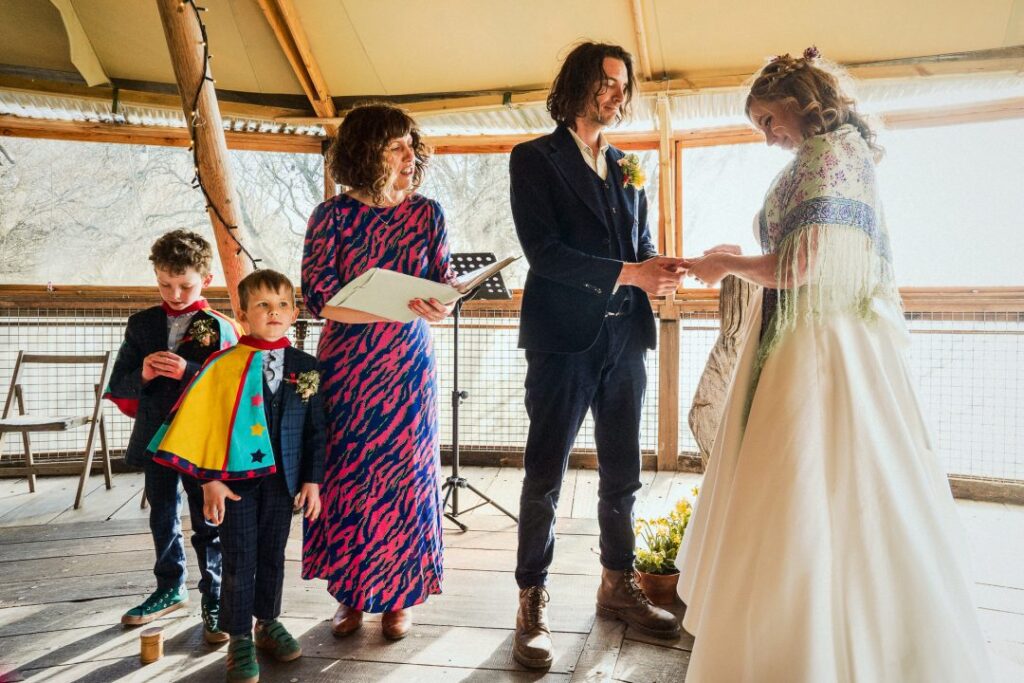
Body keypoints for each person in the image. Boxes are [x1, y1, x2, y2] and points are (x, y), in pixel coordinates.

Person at [675, 48, 993, 681]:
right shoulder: (841, 154)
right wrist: (740, 255)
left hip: (815, 349)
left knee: (808, 489)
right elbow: (801, 252)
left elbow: (798, 268)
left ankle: (806, 648)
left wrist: (724, 266)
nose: (768, 138)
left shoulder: (828, 158)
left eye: (768, 121)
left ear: (799, 102)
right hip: (810, 336)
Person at [508, 42, 686, 669]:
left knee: (622, 475)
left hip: (625, 339)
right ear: (579, 83)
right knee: (545, 475)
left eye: (623, 86)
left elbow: (636, 247)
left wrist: (657, 268)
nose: (616, 94)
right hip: (562, 344)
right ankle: (531, 597)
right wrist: (630, 270)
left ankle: (617, 585)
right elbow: (545, 253)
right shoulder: (533, 158)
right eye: (607, 82)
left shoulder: (628, 166)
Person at [301, 103, 453, 641]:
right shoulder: (331, 217)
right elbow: (320, 297)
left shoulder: (428, 213)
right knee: (347, 477)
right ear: (366, 153)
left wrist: (442, 305)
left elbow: (442, 287)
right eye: (396, 146)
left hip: (409, 368)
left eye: (412, 144)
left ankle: (399, 598)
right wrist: (387, 308)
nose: (410, 155)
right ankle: (349, 595)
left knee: (406, 477)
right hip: (347, 368)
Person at [151, 269, 325, 683]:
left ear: (294, 311)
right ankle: (239, 637)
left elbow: (317, 430)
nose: (274, 312)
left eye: (283, 304)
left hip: (284, 485)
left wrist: (312, 480)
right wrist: (209, 480)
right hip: (233, 488)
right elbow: (200, 428)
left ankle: (268, 622)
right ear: (242, 312)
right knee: (238, 559)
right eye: (262, 304)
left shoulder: (306, 366)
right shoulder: (221, 365)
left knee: (272, 556)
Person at [104, 229, 240, 641]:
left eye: (185, 285)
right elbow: (120, 382)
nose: (175, 293)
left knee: (207, 521)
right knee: (161, 515)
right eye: (165, 284)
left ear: (207, 281)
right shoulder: (141, 323)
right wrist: (143, 373)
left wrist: (189, 372)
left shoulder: (219, 327)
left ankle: (214, 595)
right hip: (155, 437)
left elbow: (231, 389)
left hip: (199, 441)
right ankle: (169, 587)